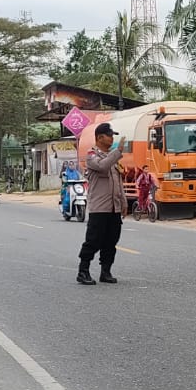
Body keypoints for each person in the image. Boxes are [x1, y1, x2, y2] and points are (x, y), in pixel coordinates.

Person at [77, 122, 128, 285]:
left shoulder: (112, 159)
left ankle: (105, 271)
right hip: (99, 208)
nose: (112, 138)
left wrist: (124, 202)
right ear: (100, 137)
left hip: (114, 207)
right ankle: (83, 271)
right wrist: (118, 151)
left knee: (111, 241)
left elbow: (118, 182)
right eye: (110, 135)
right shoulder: (92, 156)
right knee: (93, 240)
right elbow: (102, 167)